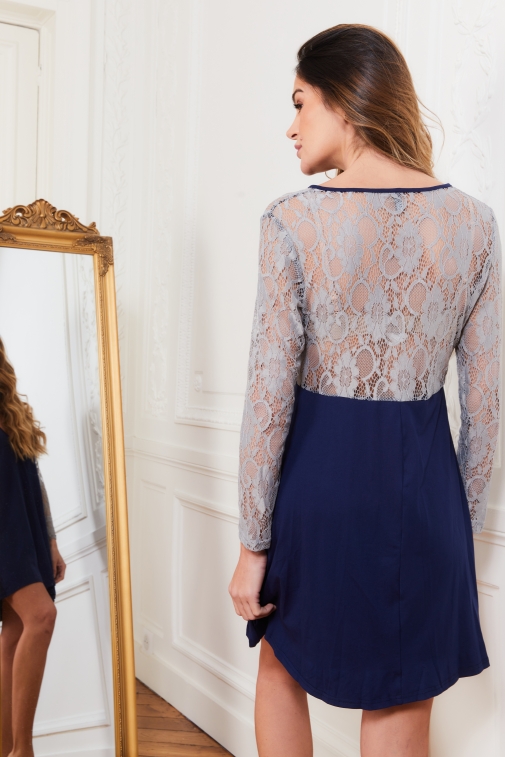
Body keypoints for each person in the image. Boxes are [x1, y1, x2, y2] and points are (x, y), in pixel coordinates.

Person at [228, 23, 502, 757]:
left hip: (316, 495)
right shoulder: (475, 226)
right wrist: (455, 524)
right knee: (399, 692)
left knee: (281, 666)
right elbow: (484, 406)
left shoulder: (292, 221)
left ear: (344, 100)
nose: (290, 127)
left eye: (300, 103)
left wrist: (253, 542)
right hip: (425, 502)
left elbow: (268, 397)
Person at [0, 337, 66, 757]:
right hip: (3, 534)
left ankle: (7, 748)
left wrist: (52, 539)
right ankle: (23, 750)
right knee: (41, 616)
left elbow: (35, 483)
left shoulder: (12, 410)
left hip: (25, 531)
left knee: (16, 630)